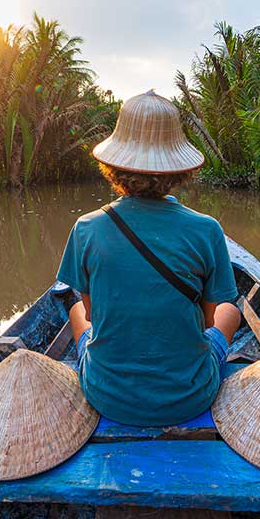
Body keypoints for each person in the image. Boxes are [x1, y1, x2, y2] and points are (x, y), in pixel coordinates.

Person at [56, 89, 241, 426]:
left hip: (106, 394)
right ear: (179, 169)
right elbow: (207, 322)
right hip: (189, 396)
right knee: (230, 310)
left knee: (74, 310)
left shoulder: (87, 228)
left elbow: (94, 314)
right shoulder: (207, 230)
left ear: (113, 165)